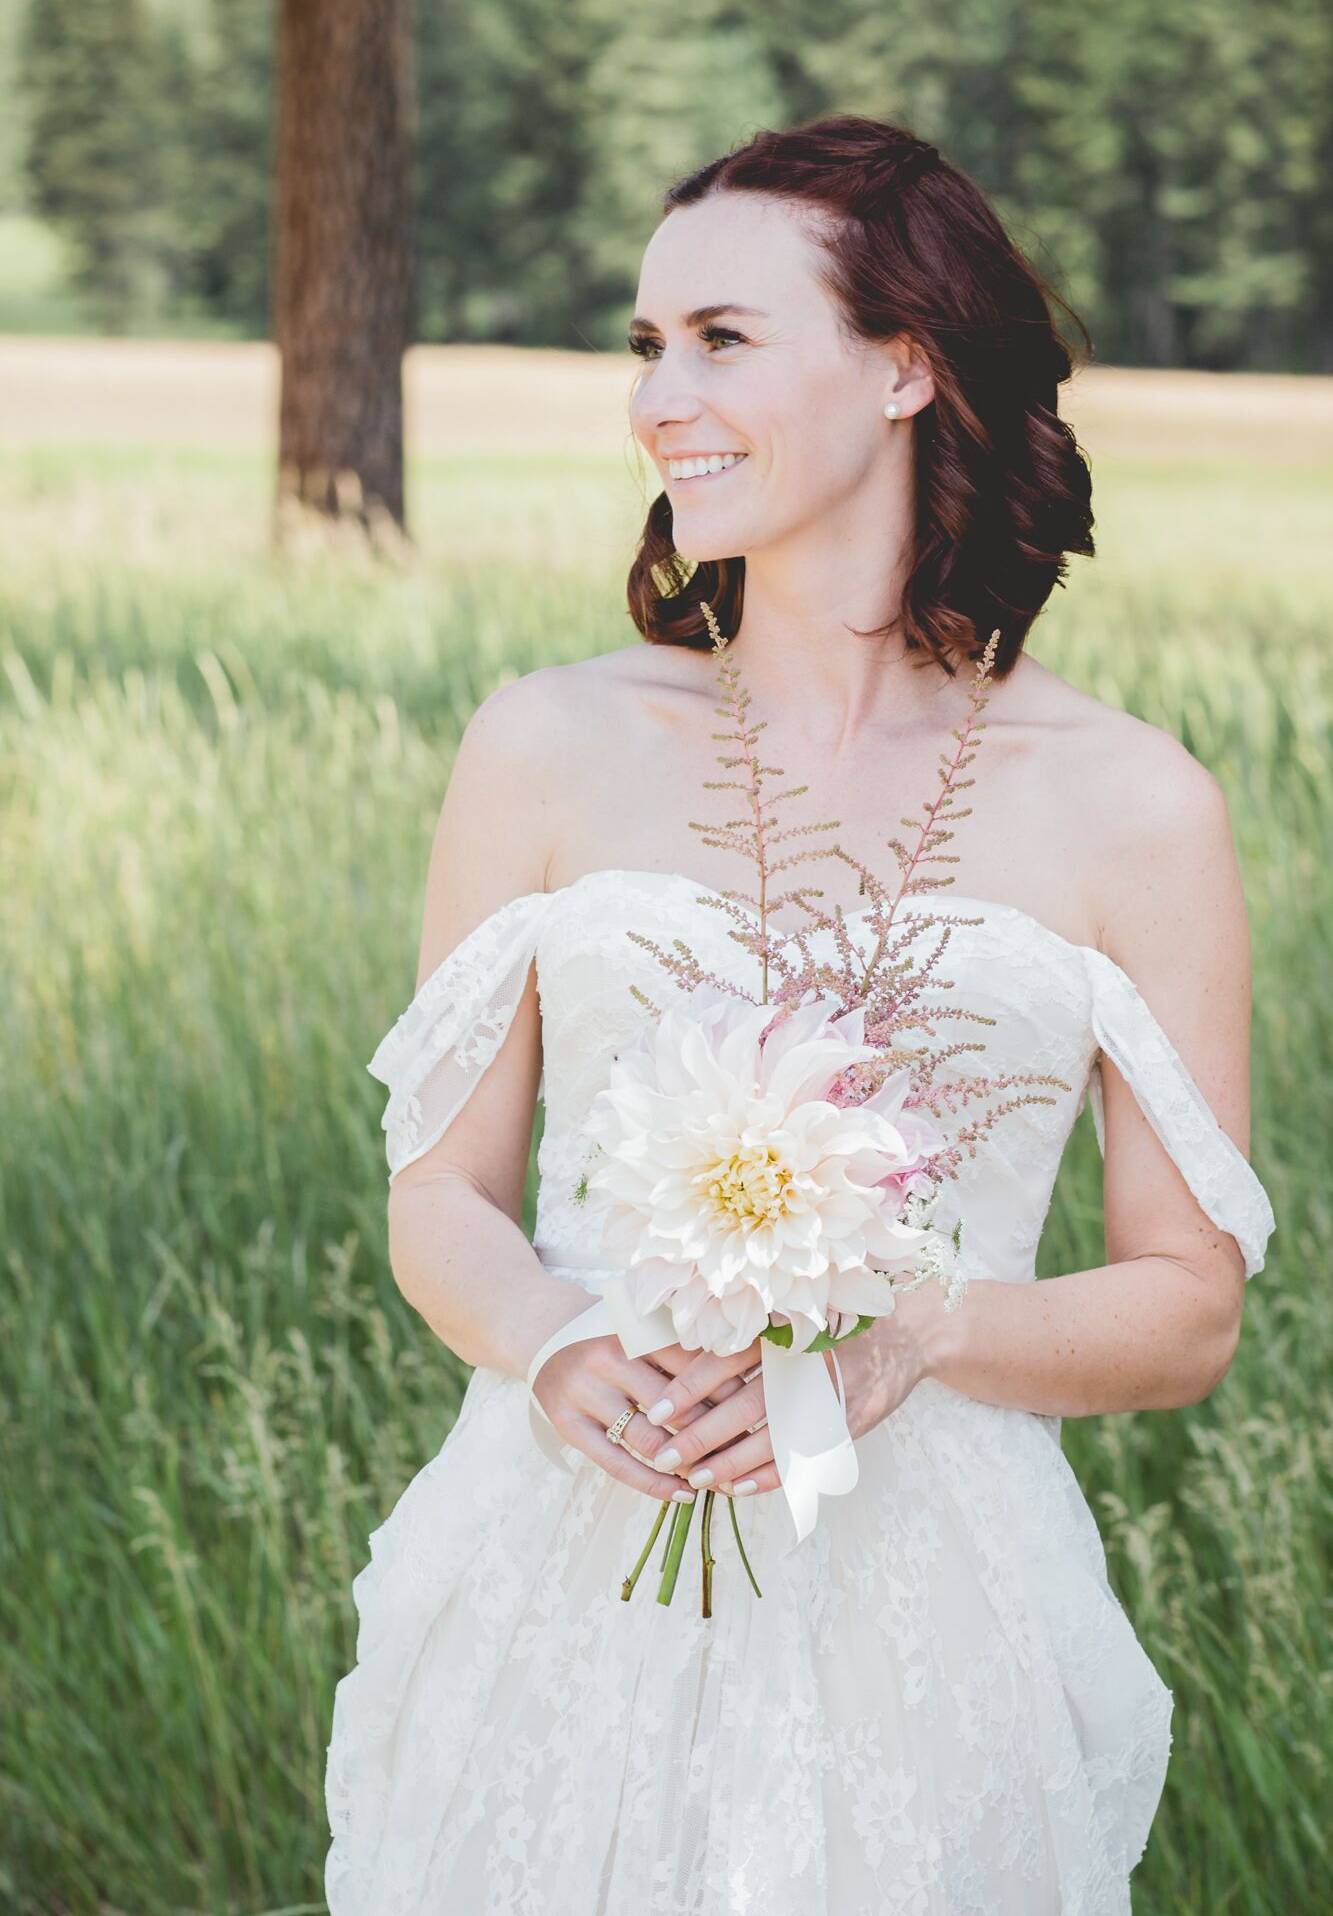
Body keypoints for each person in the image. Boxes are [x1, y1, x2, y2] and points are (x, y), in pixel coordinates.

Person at [323, 113, 1275, 1915]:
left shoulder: (1137, 806)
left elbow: (1184, 1309)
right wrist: (555, 1345)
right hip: (566, 1563)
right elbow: (438, 1194)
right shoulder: (545, 740)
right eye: (644, 346)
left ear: (907, 366)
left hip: (927, 1625)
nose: (659, 396)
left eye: (723, 340)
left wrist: (904, 1337)